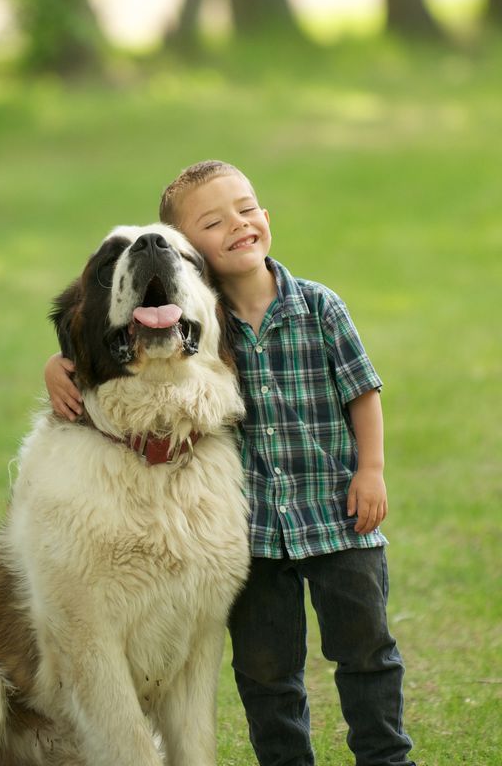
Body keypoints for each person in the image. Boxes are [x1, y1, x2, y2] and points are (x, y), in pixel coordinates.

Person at [44, 160, 415, 766]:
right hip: (262, 534)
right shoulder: (207, 321)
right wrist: (54, 364)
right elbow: (121, 332)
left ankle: (386, 757)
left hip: (338, 518)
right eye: (214, 223)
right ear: (199, 258)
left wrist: (371, 470)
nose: (239, 225)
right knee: (267, 672)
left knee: (367, 649)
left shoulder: (319, 307)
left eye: (247, 209)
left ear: (266, 217)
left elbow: (363, 389)